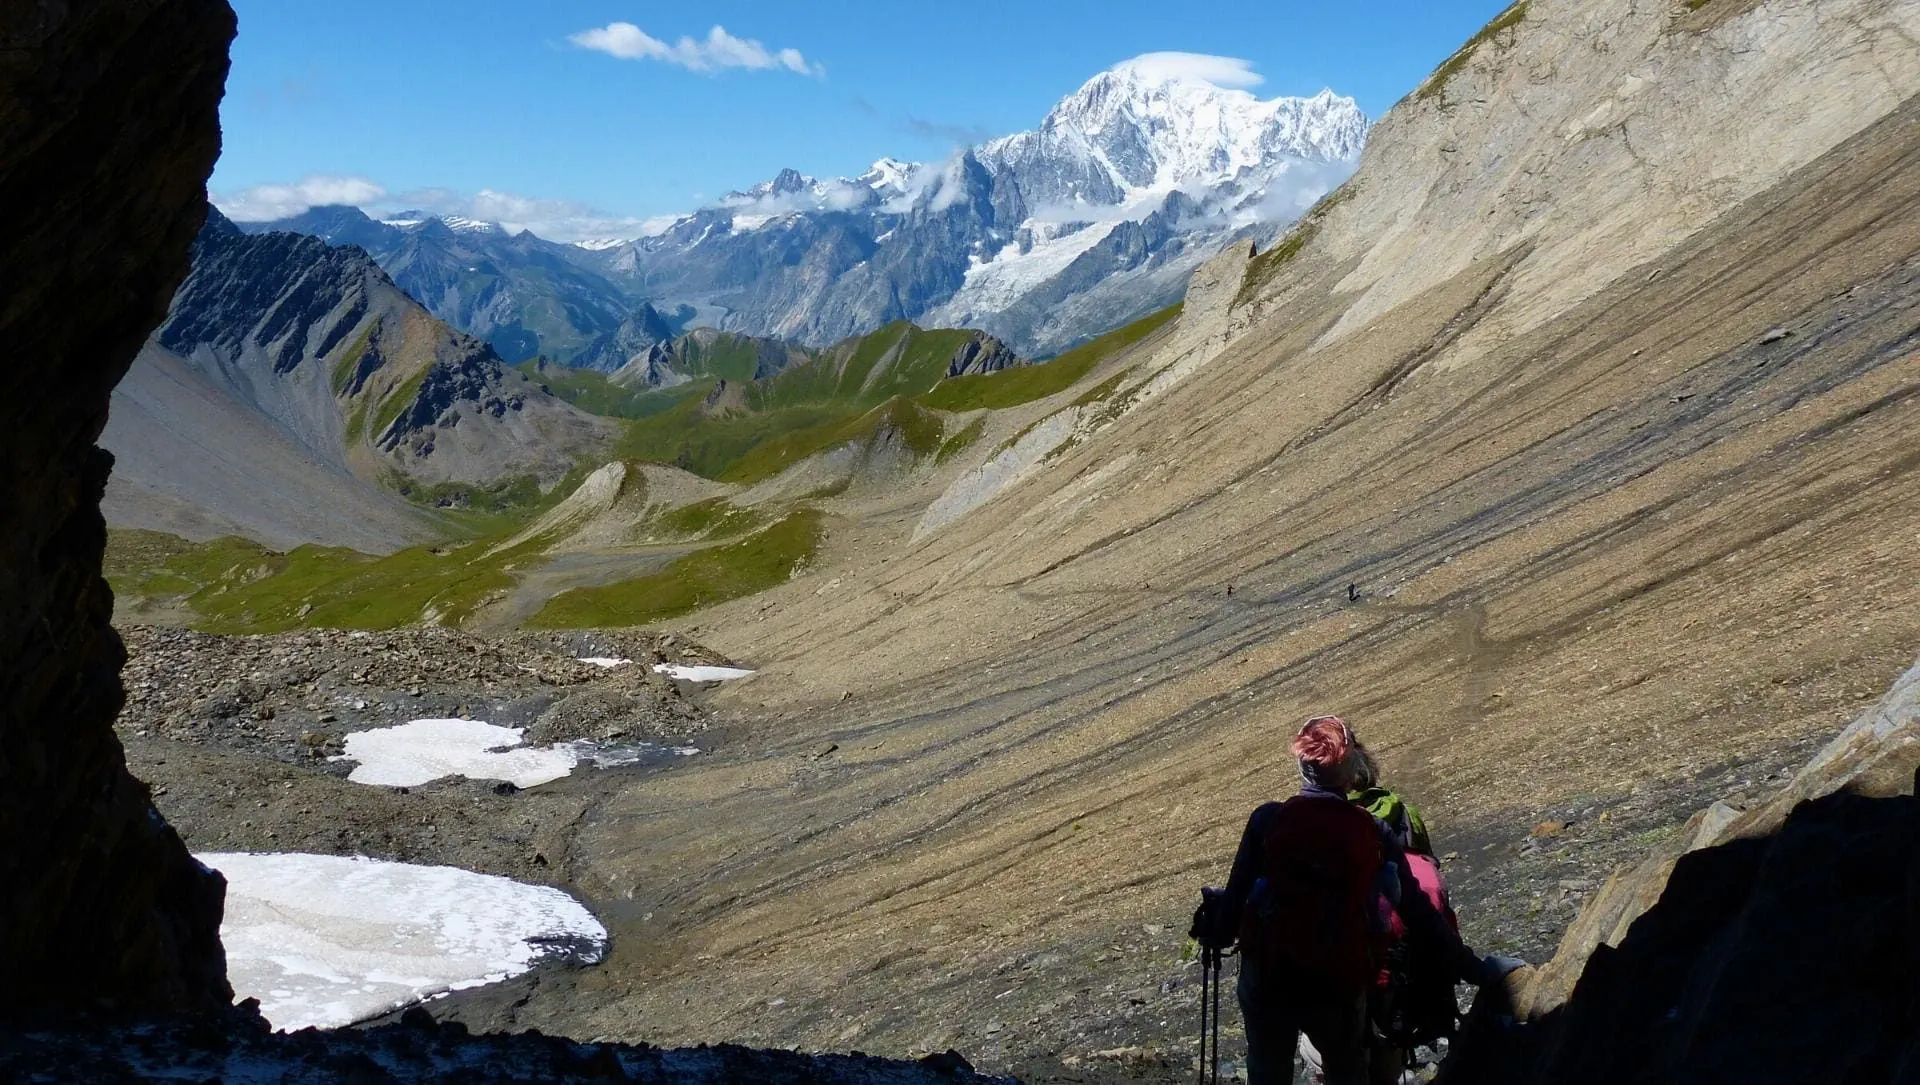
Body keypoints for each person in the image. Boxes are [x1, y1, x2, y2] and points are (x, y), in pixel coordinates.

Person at [1195, 716, 1503, 1085]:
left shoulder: (1268, 819)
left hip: (1271, 971)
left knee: (1267, 1066)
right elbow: (1418, 911)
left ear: (1302, 767)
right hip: (1338, 974)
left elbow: (1231, 915)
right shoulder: (1372, 830)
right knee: (1346, 1068)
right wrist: (1475, 969)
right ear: (1351, 766)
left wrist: (1216, 926)